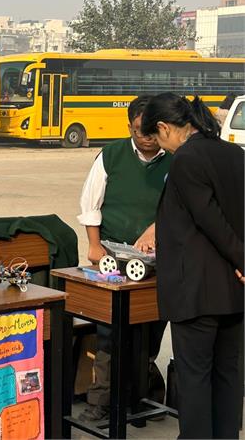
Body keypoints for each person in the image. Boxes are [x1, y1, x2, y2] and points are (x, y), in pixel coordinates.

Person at [140, 93, 244, 439]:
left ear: (164, 127)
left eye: (157, 139)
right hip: (233, 290)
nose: (162, 147)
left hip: (196, 292)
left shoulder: (186, 159)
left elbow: (211, 221)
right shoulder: (234, 153)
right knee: (228, 375)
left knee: (195, 378)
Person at [76, 96, 171, 421]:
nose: (145, 137)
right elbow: (91, 203)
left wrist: (157, 230)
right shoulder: (112, 154)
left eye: (151, 130)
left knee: (150, 331)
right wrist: (94, 246)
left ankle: (143, 398)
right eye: (138, 130)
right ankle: (101, 402)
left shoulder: (175, 157)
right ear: (129, 126)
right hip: (112, 256)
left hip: (158, 261)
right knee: (109, 334)